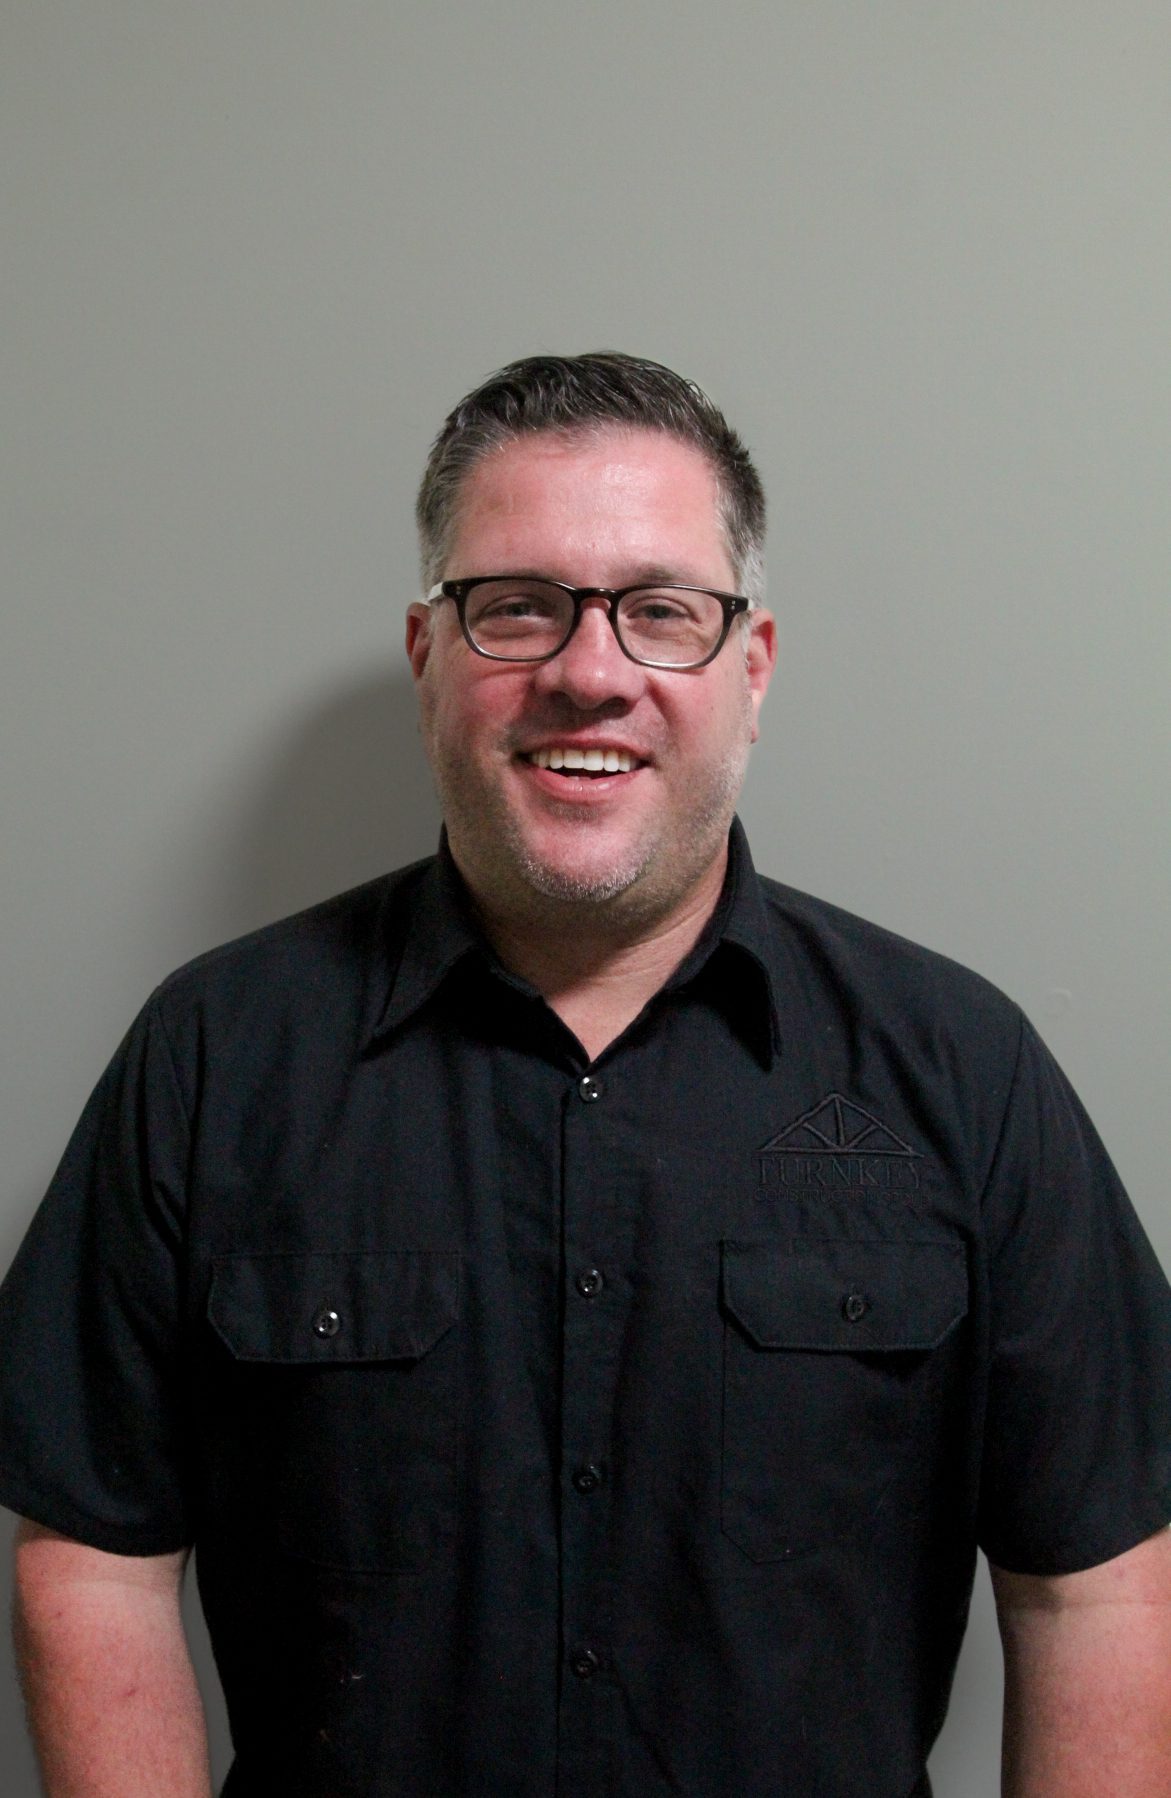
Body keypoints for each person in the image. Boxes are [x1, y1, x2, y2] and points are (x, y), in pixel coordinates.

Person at [2, 352, 1170, 1798]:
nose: (591, 671)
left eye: (661, 611)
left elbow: (1097, 1585)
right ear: (430, 654)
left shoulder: (963, 1070)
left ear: (752, 671)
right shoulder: (213, 1057)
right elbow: (96, 1557)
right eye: (519, 607)